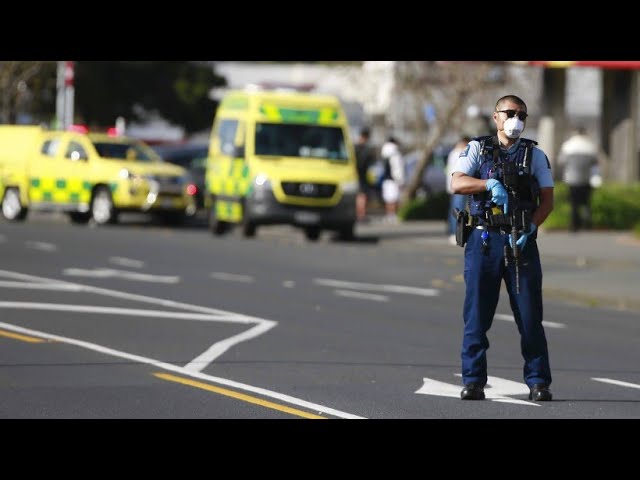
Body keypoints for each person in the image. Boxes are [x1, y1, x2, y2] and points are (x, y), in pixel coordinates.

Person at [450, 94, 555, 402]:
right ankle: (473, 380)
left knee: (530, 316)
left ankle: (538, 381)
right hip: (484, 242)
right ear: (495, 117)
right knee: (477, 316)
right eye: (509, 113)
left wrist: (532, 226)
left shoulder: (534, 155)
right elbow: (457, 183)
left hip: (520, 242)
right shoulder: (477, 149)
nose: (516, 119)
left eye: (522, 114)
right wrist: (487, 185)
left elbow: (547, 201)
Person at [557, 126, 599, 232]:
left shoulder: (568, 145)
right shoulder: (590, 145)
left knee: (574, 204)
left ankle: (574, 225)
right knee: (586, 203)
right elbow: (595, 162)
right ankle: (587, 224)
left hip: (572, 179)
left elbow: (561, 161)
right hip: (586, 178)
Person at [446, 136, 472, 245]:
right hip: (460, 186)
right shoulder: (460, 153)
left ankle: (453, 232)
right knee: (458, 211)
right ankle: (454, 233)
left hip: (455, 186)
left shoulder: (453, 153)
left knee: (454, 210)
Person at [354, 127, 377, 222]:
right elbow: (372, 163)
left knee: (358, 195)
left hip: (353, 174)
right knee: (362, 195)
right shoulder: (368, 150)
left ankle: (358, 214)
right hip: (363, 174)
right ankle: (361, 215)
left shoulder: (354, 147)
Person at [379, 136, 404, 223]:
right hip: (393, 179)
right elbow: (397, 168)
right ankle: (393, 215)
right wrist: (400, 180)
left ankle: (389, 215)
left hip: (385, 179)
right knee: (393, 199)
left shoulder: (384, 152)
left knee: (388, 199)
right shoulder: (395, 153)